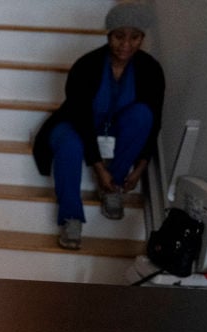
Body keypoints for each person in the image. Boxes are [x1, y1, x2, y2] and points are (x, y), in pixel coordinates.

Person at [32, 2, 165, 250]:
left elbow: (154, 120)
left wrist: (141, 166)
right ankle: (71, 217)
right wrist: (99, 167)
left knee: (143, 115)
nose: (126, 44)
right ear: (108, 35)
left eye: (134, 37)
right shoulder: (87, 66)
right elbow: (79, 117)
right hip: (76, 123)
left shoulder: (151, 70)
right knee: (69, 144)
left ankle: (113, 188)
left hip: (116, 130)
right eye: (119, 36)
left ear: (142, 38)